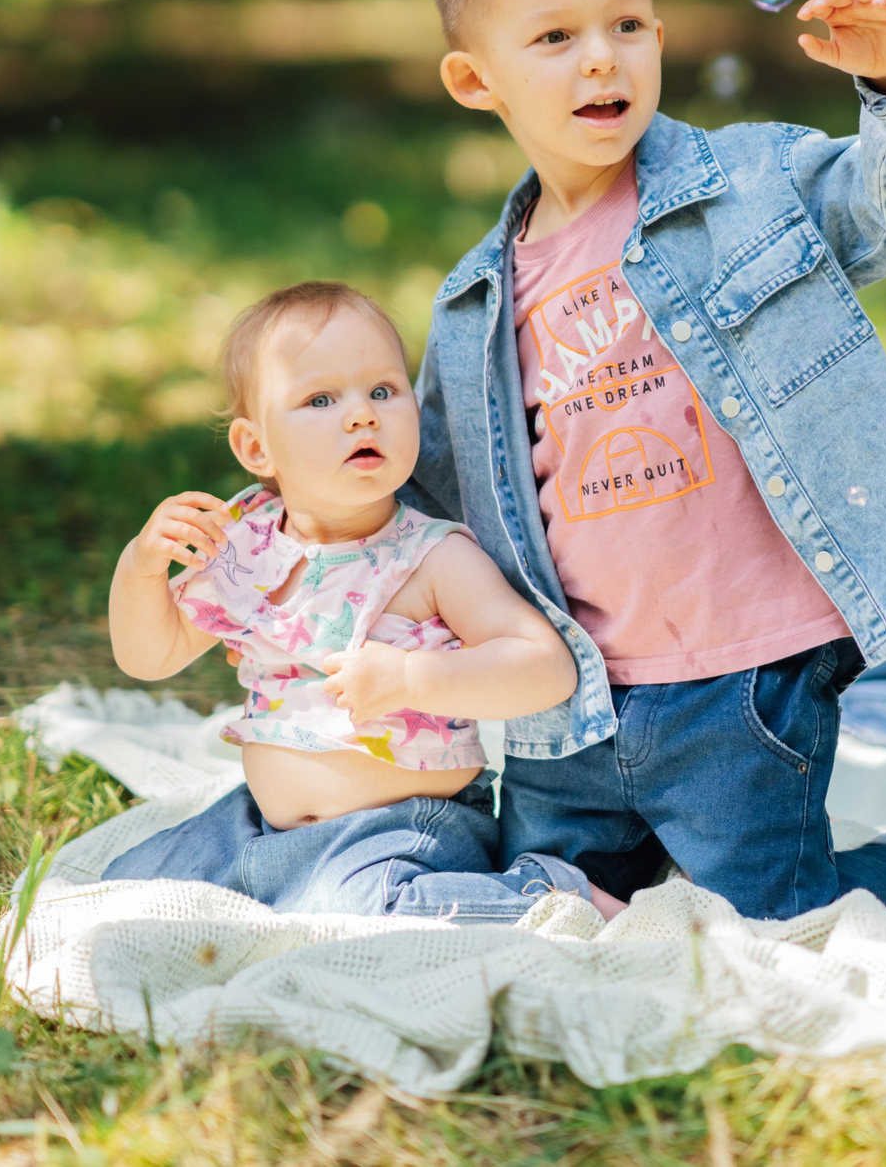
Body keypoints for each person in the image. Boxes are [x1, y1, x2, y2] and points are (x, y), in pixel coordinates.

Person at [408, 0, 886, 920]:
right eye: (553, 39)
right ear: (475, 81)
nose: (602, 56)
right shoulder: (475, 303)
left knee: (776, 919)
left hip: (746, 674)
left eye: (627, 23)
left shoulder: (749, 189)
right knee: (545, 907)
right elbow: (429, 506)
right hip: (573, 701)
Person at [98, 281, 622, 921]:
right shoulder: (247, 541)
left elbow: (545, 668)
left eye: (383, 390)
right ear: (257, 447)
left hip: (399, 830)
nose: (361, 414)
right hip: (263, 824)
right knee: (125, 889)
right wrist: (141, 567)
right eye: (321, 399)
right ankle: (280, 887)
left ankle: (543, 893)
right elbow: (153, 655)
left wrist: (413, 678)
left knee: (379, 915)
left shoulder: (432, 556)